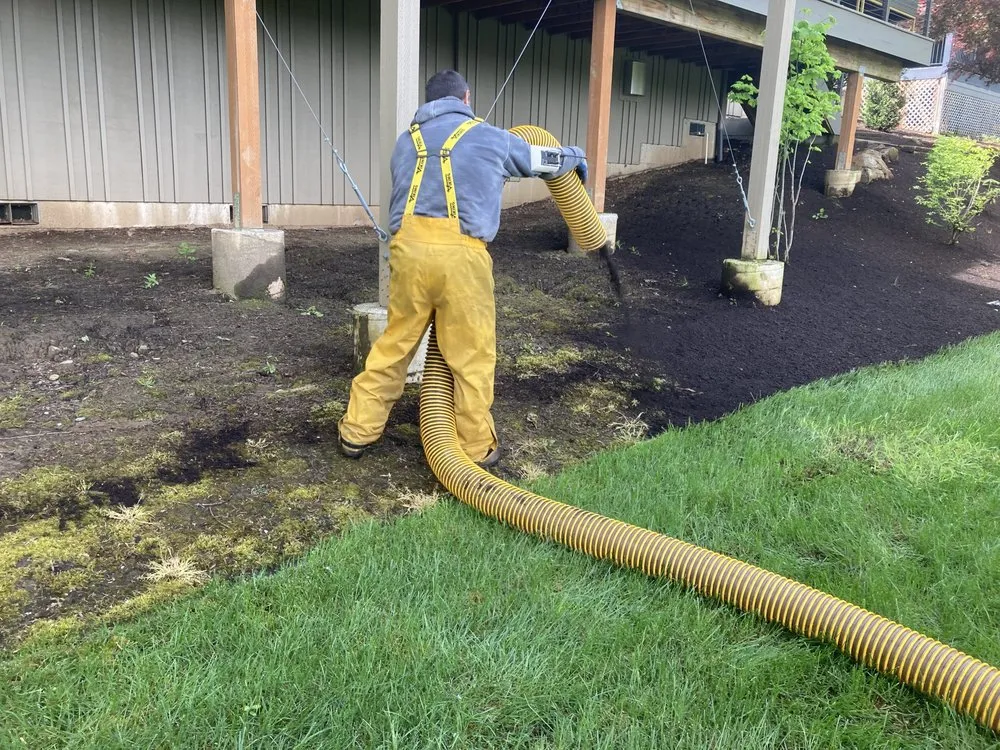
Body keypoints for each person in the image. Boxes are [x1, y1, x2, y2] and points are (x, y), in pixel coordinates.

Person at [338, 69, 588, 467]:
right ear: (466, 98)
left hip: (407, 256)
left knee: (395, 344)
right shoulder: (490, 137)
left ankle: (356, 432)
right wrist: (575, 158)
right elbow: (543, 158)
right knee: (471, 355)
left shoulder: (406, 142)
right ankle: (475, 447)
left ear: (428, 102)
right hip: (461, 258)